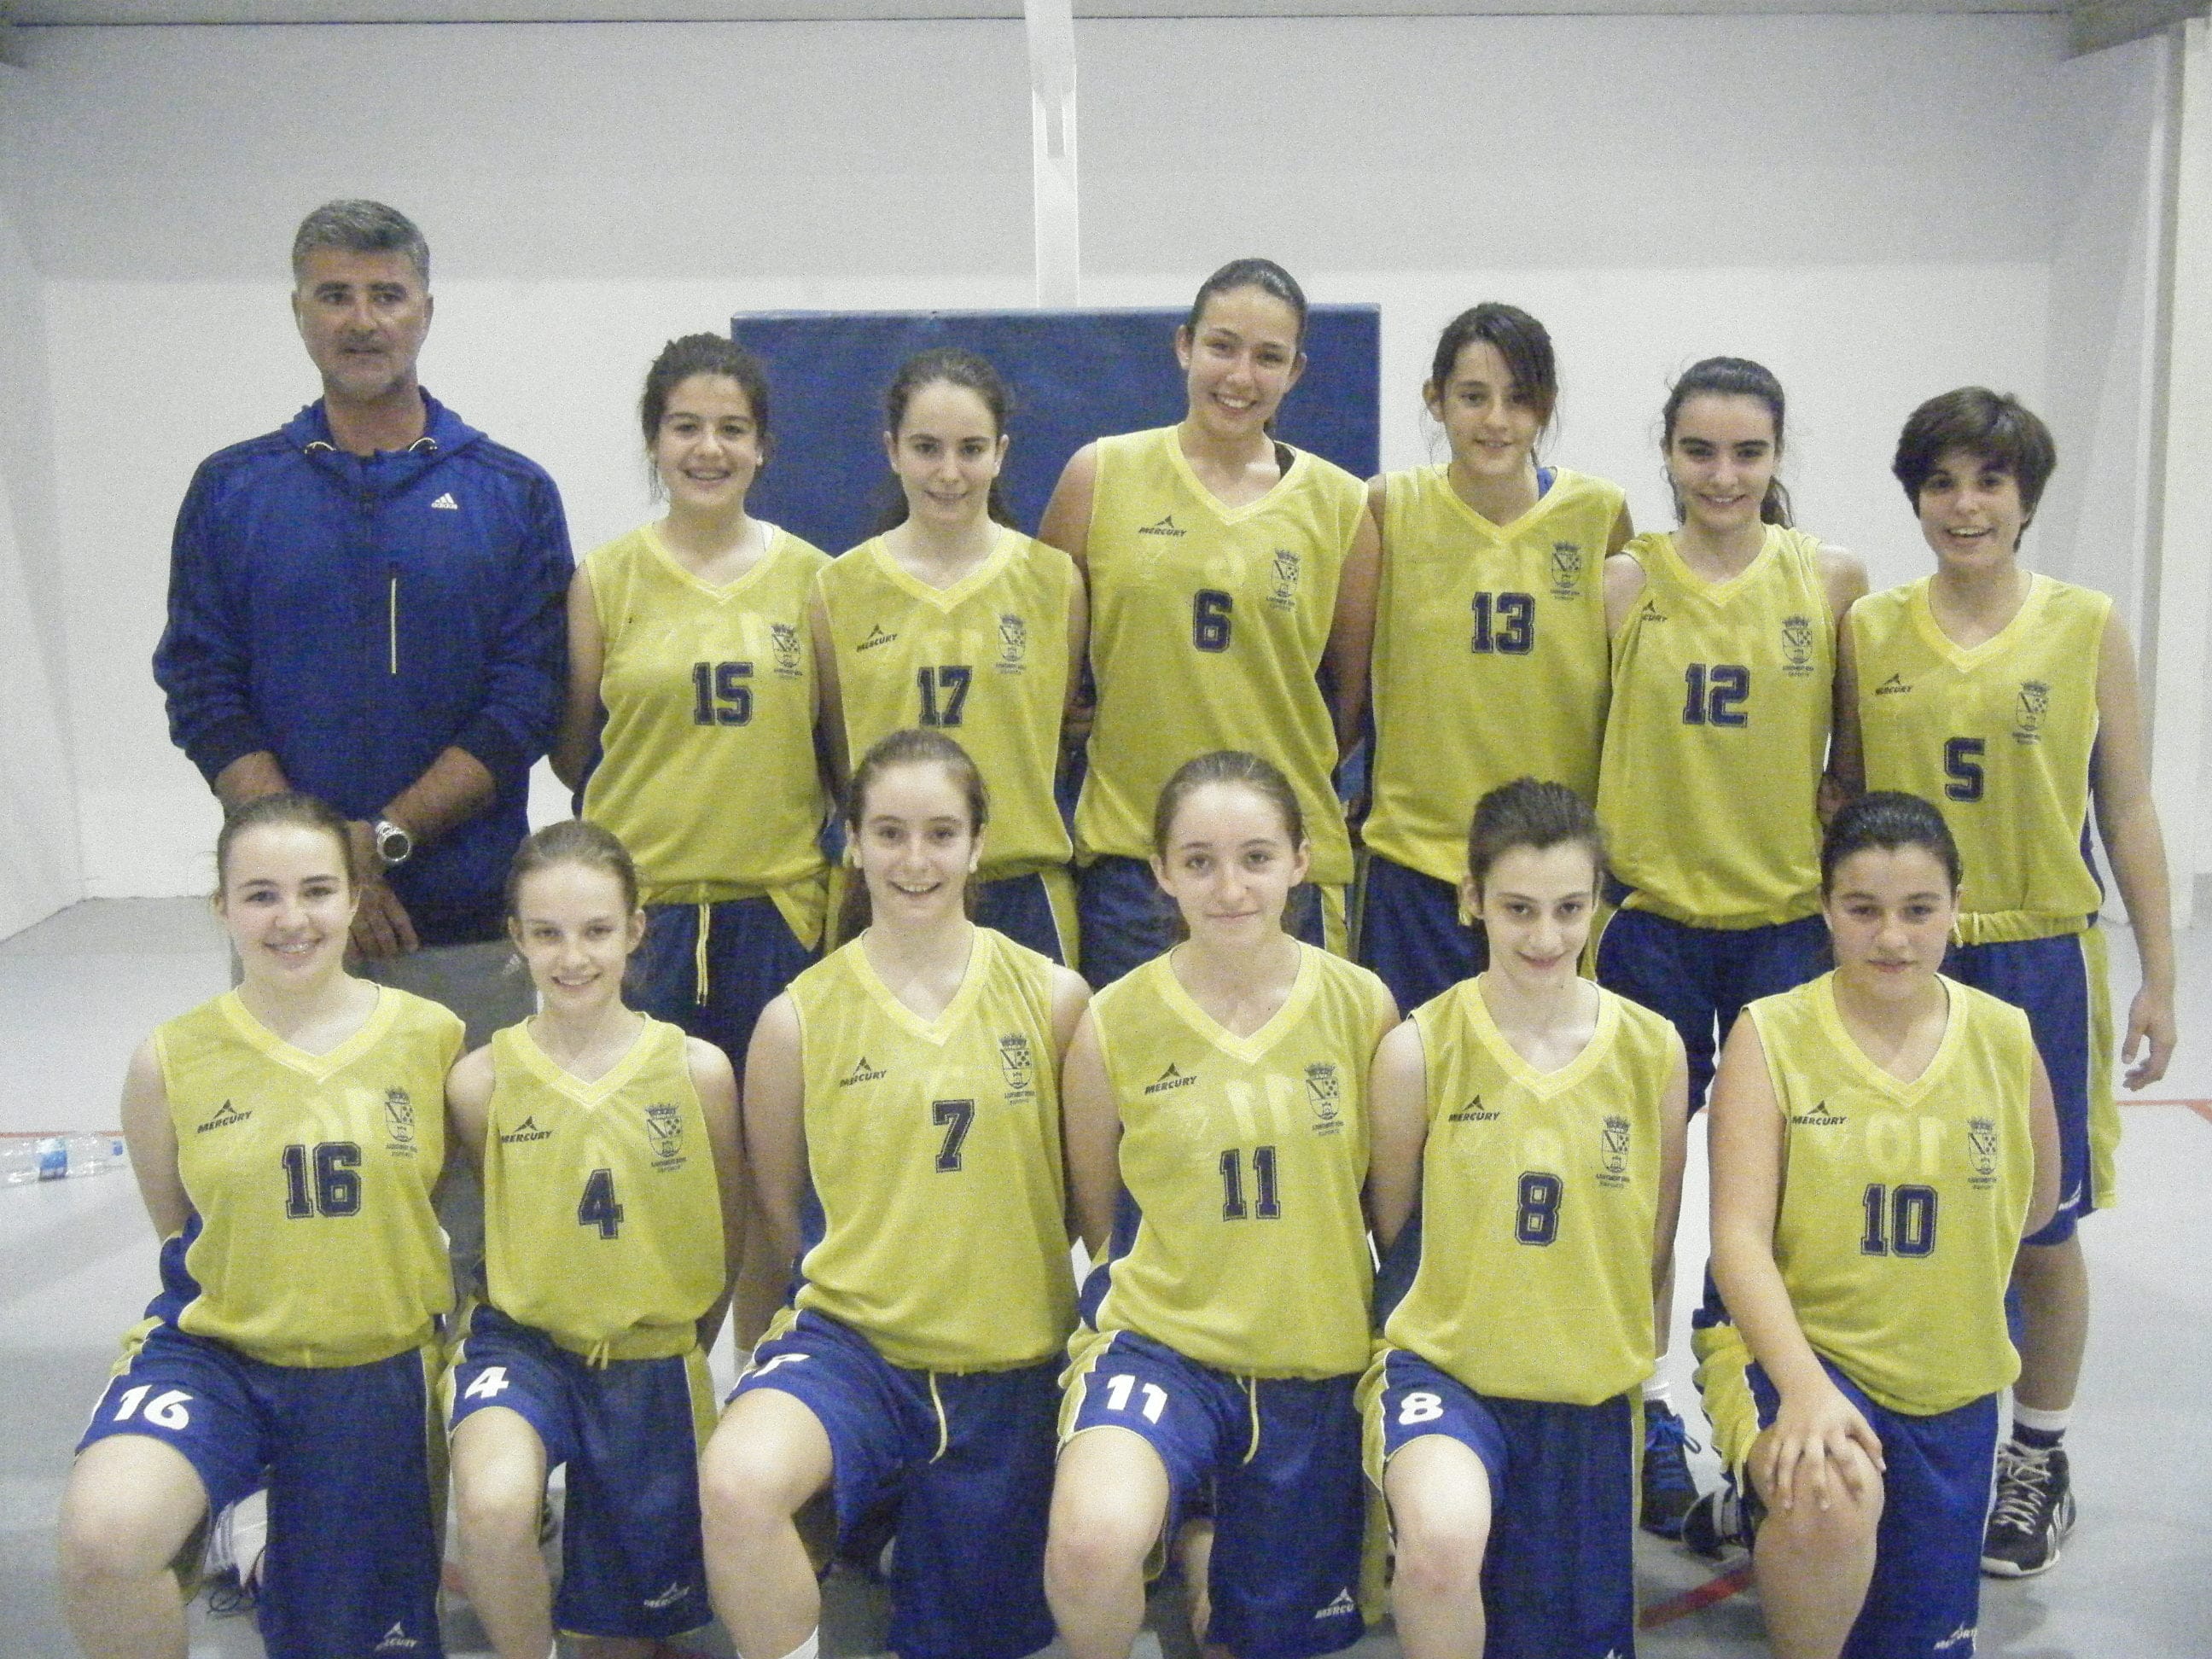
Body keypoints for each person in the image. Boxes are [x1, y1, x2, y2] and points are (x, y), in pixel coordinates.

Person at [1832, 387, 2177, 1578]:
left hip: (2037, 950)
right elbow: (1845, 798)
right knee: (1897, 1205)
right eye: (1941, 482)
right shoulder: (1871, 629)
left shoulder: (2085, 625)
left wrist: (2160, 976)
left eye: (1988, 481)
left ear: (2026, 497)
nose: (1964, 505)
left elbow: (2126, 807)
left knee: (2043, 1223)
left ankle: (2038, 1454)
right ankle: (1885, 1428)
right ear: (1915, 496)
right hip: (1901, 954)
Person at [699, 729, 1091, 1659]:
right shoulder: (795, 1019)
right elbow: (780, 1214)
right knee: (736, 1486)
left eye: (940, 833)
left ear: (979, 843)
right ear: (851, 840)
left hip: (1006, 1365)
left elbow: (1082, 1207)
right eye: (889, 832)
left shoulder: (1057, 1000)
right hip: (854, 1351)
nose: (915, 860)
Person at [56, 793, 464, 1659]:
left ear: (356, 899)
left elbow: (457, 1207)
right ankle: (226, 1496)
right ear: (222, 908)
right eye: (261, 895)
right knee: (105, 1541)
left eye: (316, 890)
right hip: (219, 1353)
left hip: (366, 1370)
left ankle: (266, 1523)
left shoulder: (434, 1039)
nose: (292, 919)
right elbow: (180, 1233)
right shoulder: (168, 1059)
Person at [154, 200, 570, 1045]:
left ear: (426, 311)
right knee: (294, 1168)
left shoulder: (513, 493)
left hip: (464, 924)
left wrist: (380, 841)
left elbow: (526, 701)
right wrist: (321, 869)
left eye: (387, 295)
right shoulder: (232, 492)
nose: (362, 321)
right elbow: (201, 693)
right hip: (291, 929)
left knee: (463, 1172)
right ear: (299, 313)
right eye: (334, 295)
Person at [1592, 355, 1866, 1536]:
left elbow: (1851, 770)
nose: (1723, 474)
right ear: (1666, 453)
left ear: (1777, 458)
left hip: (1783, 931)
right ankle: (1649, 1410)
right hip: (1651, 926)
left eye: (1748, 452)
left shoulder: (1832, 581)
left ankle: (1757, 1403)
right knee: (1644, 1190)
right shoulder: (1620, 585)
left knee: (1777, 1200)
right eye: (1700, 450)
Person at [1046, 750, 1398, 1659]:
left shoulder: (1364, 1010)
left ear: (1301, 861)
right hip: (1165, 1348)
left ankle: (1204, 1553)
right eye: (1198, 860)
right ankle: (1182, 1533)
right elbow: (1100, 1211)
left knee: (1239, 1638)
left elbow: (1386, 1211)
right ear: (1161, 872)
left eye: (1255, 856)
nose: (1230, 886)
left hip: (1308, 1362)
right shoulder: (1113, 1020)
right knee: (1088, 1545)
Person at [1695, 791, 2059, 1659]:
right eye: (1863, 910)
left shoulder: (2006, 1039)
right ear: (1825, 910)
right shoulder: (1771, 1034)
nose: (1891, 937)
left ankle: (1758, 1512)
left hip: (1949, 1381)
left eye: (1918, 910)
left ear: (1955, 911)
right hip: (1802, 1354)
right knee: (1830, 1490)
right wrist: (1809, 1390)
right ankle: (1773, 1487)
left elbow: (2036, 1207)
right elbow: (1737, 1240)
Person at [1362, 778, 1687, 1659]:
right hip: (1448, 1369)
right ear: (1471, 902)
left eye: (1570, 908)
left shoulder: (1654, 1048)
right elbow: (1399, 1228)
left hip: (1584, 1390)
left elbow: (1653, 1237)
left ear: (1597, 906)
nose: (1546, 937)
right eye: (1517, 908)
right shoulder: (1416, 1051)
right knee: (1438, 1549)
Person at [553, 334, 829, 1345]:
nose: (708, 449)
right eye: (686, 428)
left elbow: (835, 749)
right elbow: (577, 748)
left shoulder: (812, 580)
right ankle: (646, 1385)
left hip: (776, 909)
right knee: (643, 1160)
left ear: (762, 448)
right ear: (653, 443)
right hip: (648, 920)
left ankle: (761, 1391)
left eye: (731, 429)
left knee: (772, 1178)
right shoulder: (607, 580)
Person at [444, 820, 742, 1658]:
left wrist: (687, 1337)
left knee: (620, 1643)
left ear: (636, 930)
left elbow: (728, 1226)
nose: (572, 957)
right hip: (525, 1343)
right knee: (496, 1506)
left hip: (649, 1358)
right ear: (517, 938)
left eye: (596, 931)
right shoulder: (481, 1082)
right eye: (547, 933)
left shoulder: (697, 1073)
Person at [1039, 259, 1380, 986]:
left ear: (1296, 371)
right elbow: (1048, 673)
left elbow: (1350, 699)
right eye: (1223, 346)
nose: (1241, 375)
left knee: (1290, 1093)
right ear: (1184, 346)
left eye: (1269, 356)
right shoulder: (1099, 476)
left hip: (1284, 865)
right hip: (1138, 861)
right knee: (1136, 1090)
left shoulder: (1342, 506)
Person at [1360, 305, 1633, 1013]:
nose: (1496, 421)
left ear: (1545, 406)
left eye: (1520, 399)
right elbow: (1347, 672)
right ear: (1436, 400)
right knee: (1416, 1083)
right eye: (1474, 397)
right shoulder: (1391, 508)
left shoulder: (1598, 514)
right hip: (1420, 861)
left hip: (1552, 877)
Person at [814, 347, 1084, 962]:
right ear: (892, 451)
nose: (949, 471)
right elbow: (839, 753)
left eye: (971, 448)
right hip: (887, 888)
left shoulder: (1054, 582)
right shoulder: (839, 589)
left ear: (1000, 454)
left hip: (1021, 886)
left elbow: (1057, 733)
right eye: (926, 447)